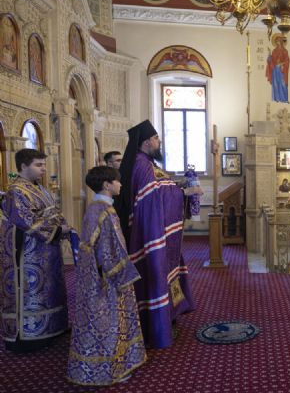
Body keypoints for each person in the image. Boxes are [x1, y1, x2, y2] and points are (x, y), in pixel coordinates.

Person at [114, 120, 202, 349]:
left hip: (159, 232)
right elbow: (153, 199)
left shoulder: (148, 163)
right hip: (150, 235)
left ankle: (169, 315)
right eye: (155, 138)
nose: (159, 141)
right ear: (145, 142)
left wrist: (179, 187)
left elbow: (162, 188)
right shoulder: (141, 165)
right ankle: (156, 326)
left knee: (166, 272)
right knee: (155, 273)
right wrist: (185, 192)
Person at [67, 166, 146, 385]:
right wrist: (118, 273)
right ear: (106, 185)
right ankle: (110, 369)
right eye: (117, 181)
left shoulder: (102, 207)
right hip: (106, 277)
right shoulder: (100, 210)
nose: (120, 184)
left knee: (112, 320)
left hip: (106, 273)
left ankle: (115, 364)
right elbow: (102, 248)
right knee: (108, 322)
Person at [0, 149, 72, 352]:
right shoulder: (16, 191)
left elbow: (53, 212)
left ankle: (52, 328)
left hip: (46, 249)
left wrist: (62, 226)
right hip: (27, 251)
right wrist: (58, 229)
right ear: (23, 166)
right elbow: (25, 220)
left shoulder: (40, 188)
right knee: (32, 290)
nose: (44, 169)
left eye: (44, 164)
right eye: (38, 165)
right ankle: (30, 336)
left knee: (49, 287)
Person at [265, 34, 289, 103]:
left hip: (282, 70)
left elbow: (287, 61)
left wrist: (281, 64)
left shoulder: (285, 51)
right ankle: (276, 98)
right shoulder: (274, 51)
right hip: (275, 71)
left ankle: (284, 99)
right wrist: (269, 54)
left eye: (279, 41)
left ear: (281, 41)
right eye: (277, 41)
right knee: (275, 84)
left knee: (283, 84)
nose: (278, 42)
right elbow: (271, 61)